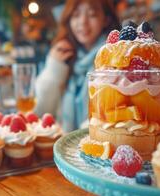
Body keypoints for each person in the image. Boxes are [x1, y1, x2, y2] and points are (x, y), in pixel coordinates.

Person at [35, 0, 120, 131]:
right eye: (75, 15)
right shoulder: (64, 54)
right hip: (63, 147)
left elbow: (115, 115)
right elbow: (40, 111)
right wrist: (54, 68)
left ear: (106, 19)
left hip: (99, 146)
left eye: (92, 15)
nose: (82, 22)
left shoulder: (118, 57)